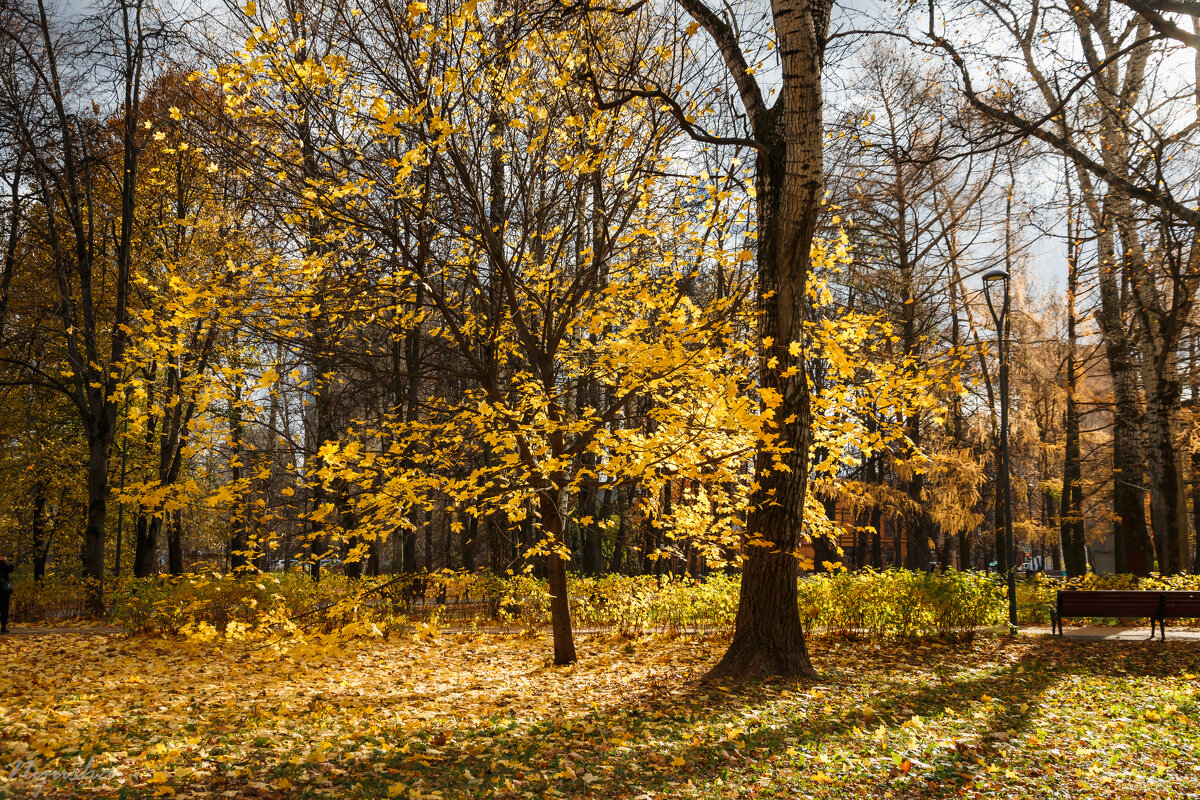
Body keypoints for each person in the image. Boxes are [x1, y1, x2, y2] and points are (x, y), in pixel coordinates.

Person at [0, 554, 13, 633]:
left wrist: (5, 562)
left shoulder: (5, 565)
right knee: (4, 608)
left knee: (4, 608)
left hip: (4, 589)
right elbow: (10, 567)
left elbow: (11, 567)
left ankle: (4, 626)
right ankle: (3, 626)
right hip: (4, 589)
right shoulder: (3, 565)